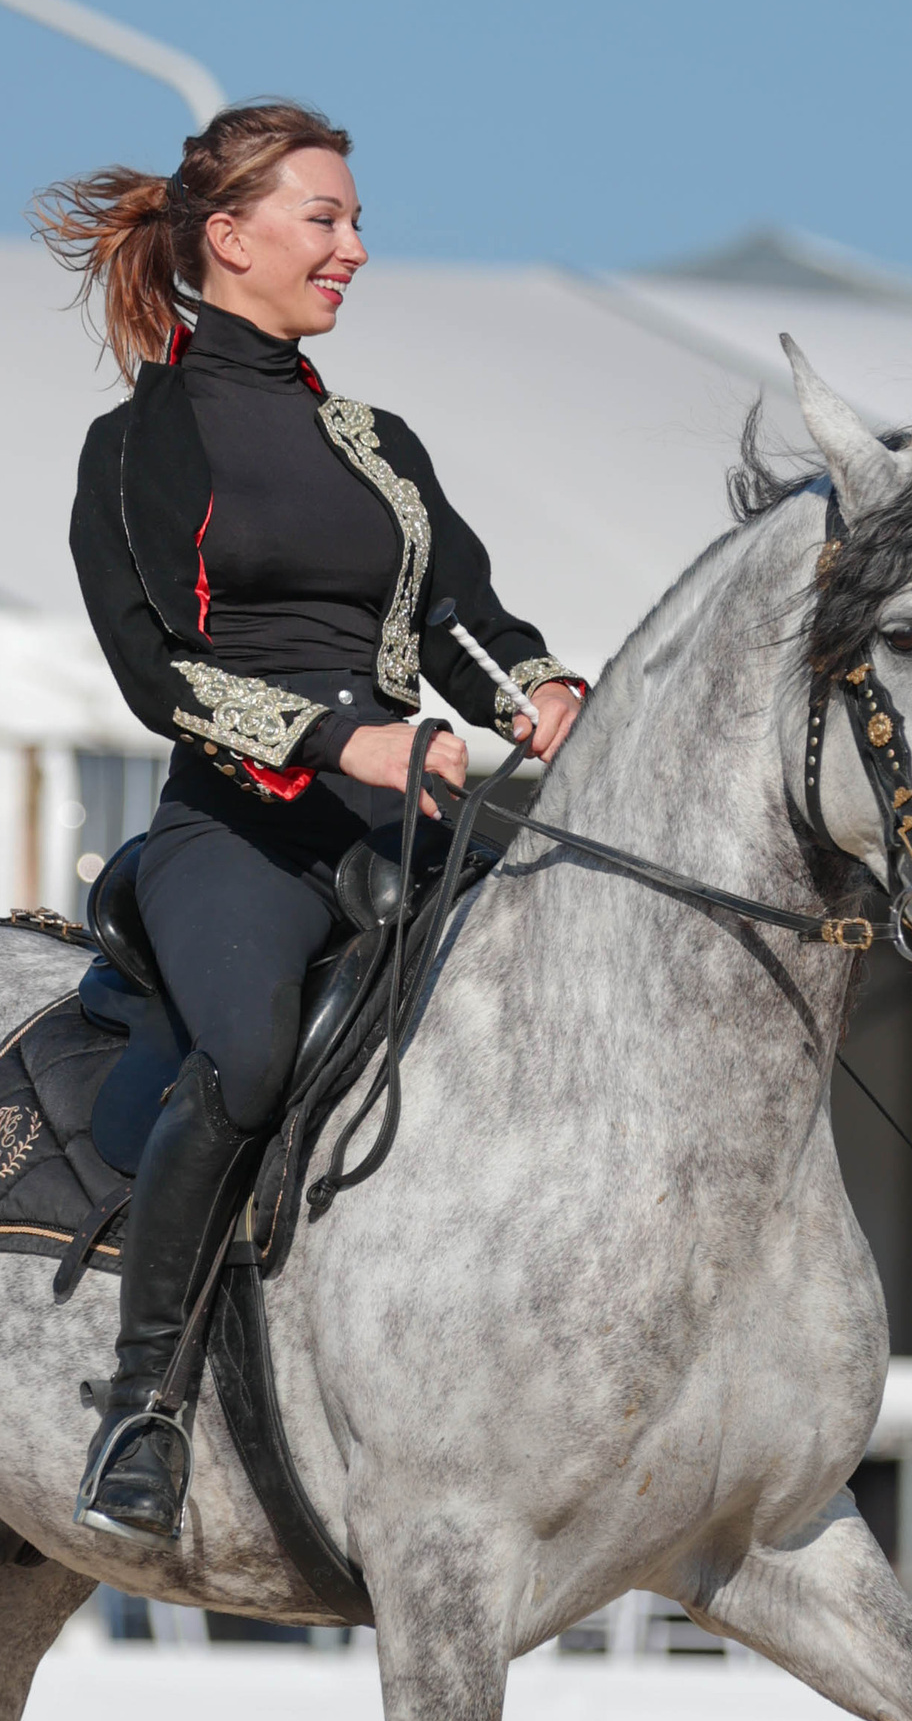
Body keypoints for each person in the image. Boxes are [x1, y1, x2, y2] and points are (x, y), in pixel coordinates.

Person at [45, 102, 586, 1544]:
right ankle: (143, 1400)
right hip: (243, 829)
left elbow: (463, 610)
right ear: (229, 239)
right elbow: (159, 671)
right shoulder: (138, 443)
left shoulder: (376, 437)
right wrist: (341, 733)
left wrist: (541, 693)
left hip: (412, 808)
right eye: (326, 220)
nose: (356, 246)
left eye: (354, 220)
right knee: (252, 1052)